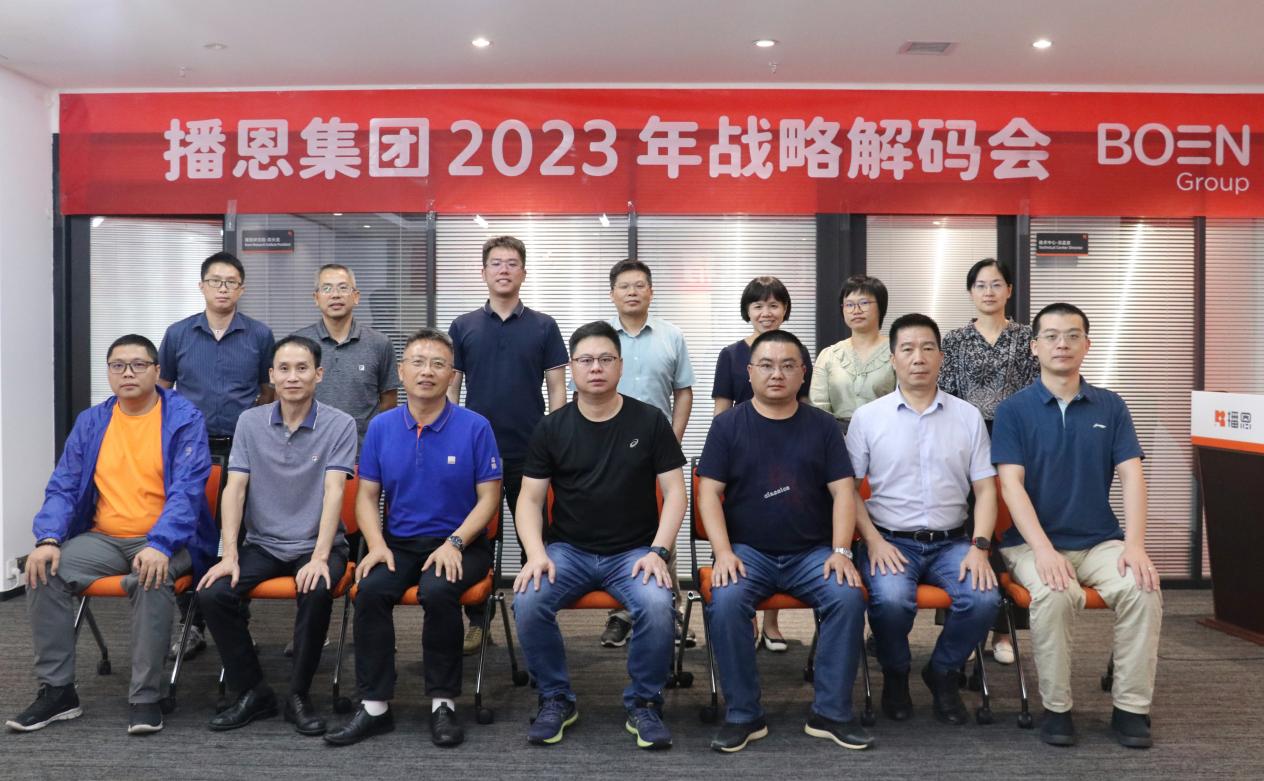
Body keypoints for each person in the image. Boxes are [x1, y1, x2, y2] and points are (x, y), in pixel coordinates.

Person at [7, 335, 216, 736]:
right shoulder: (92, 422)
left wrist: (160, 543)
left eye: (138, 365)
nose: (128, 373)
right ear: (109, 372)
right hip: (103, 537)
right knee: (43, 570)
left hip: (168, 539)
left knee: (150, 577)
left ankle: (146, 696)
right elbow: (64, 486)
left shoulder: (183, 418)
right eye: (118, 365)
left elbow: (188, 490)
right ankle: (58, 691)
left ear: (158, 371)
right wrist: (48, 538)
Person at [992, 302, 1162, 749]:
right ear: (1034, 347)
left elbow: (1132, 476)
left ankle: (1131, 707)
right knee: (1055, 593)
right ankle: (1057, 708)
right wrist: (1043, 550)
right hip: (1032, 544)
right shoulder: (1014, 410)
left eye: (1072, 335)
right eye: (1051, 336)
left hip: (1099, 541)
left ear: (1087, 345)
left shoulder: (1111, 405)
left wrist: (1136, 545)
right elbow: (1010, 486)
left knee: (1143, 587)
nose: (1062, 344)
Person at [512, 321, 687, 749]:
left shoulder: (650, 421)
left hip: (633, 553)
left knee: (657, 605)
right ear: (572, 367)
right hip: (568, 551)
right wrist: (536, 554)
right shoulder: (552, 427)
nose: (596, 368)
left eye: (606, 359)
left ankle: (644, 703)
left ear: (620, 366)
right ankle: (555, 698)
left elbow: (675, 493)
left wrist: (659, 551)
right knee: (529, 600)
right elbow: (529, 500)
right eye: (586, 360)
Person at [324, 328, 502, 748]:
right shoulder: (382, 427)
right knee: (370, 591)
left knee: (438, 591)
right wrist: (376, 545)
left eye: (438, 364)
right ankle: (375, 707)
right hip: (399, 543)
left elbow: (489, 498)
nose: (427, 372)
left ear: (451, 375)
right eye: (418, 363)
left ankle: (443, 703)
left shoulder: (475, 427)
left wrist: (455, 543)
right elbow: (366, 496)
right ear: (401, 372)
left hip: (461, 544)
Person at [698, 330, 871, 753]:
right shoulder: (727, 425)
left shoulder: (823, 426)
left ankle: (830, 713)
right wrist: (722, 553)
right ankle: (744, 714)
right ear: (750, 372)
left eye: (788, 365)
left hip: (812, 553)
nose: (777, 374)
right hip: (747, 553)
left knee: (847, 596)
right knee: (725, 599)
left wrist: (841, 551)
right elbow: (708, 494)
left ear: (803, 373)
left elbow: (843, 492)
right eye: (767, 365)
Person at [196, 336, 357, 736]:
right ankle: (253, 691)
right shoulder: (250, 422)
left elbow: (335, 492)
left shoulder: (340, 424)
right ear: (271, 375)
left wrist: (320, 557)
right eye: (284, 369)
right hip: (262, 544)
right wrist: (229, 554)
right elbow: (234, 489)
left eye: (302, 368)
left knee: (316, 588)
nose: (292, 377)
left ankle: (298, 695)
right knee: (213, 593)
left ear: (319, 374)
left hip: (318, 544)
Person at [848, 313, 1001, 726]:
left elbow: (986, 489)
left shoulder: (967, 416)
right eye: (908, 349)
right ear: (892, 359)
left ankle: (943, 671)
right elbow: (848, 491)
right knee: (891, 600)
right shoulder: (868, 418)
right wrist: (873, 541)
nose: (918, 357)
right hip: (890, 540)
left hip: (953, 542)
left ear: (941, 357)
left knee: (984, 599)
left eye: (928, 348)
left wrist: (980, 547)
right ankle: (896, 674)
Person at [448, 235, 568, 655]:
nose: (504, 269)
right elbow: (452, 388)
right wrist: (452, 436)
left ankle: (535, 615)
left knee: (533, 536)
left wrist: (555, 437)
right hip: (475, 453)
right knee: (473, 536)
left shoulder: (544, 326)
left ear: (524, 272)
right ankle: (477, 622)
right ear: (483, 272)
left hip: (530, 451)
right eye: (496, 263)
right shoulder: (463, 326)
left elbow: (557, 388)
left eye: (512, 263)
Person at [159, 251, 276, 660]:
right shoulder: (178, 334)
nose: (222, 288)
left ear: (241, 289)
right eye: (215, 281)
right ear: (202, 286)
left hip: (244, 448)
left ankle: (234, 621)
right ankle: (190, 624)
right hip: (192, 450)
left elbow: (268, 390)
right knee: (192, 535)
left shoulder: (260, 335)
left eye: (231, 282)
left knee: (239, 535)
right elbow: (164, 390)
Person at [939, 258, 1040, 666]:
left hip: (1015, 442)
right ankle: (963, 629)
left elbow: (1036, 391)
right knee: (965, 534)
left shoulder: (1027, 337)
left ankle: (1004, 631)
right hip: (965, 441)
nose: (988, 292)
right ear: (970, 292)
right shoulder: (953, 340)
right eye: (980, 285)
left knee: (1010, 536)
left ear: (1009, 290)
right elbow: (944, 394)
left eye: (996, 284)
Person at [712, 275, 813, 653]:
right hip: (744, 455)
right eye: (758, 305)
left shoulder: (798, 352)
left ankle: (771, 624)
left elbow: (803, 405)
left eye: (773, 304)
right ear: (747, 311)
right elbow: (722, 409)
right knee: (747, 534)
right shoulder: (731, 354)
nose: (766, 312)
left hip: (786, 455)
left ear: (785, 309)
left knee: (782, 528)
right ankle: (749, 619)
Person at [600, 258, 695, 649]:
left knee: (663, 526)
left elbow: (683, 392)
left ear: (651, 292)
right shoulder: (600, 339)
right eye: (624, 286)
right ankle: (620, 614)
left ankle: (669, 610)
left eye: (640, 285)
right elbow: (583, 392)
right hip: (607, 451)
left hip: (657, 449)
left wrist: (672, 440)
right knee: (613, 527)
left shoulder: (671, 336)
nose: (632, 292)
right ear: (613, 294)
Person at [292, 263, 400, 448]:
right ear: (316, 298)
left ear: (356, 296)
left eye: (343, 288)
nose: (335, 295)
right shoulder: (298, 344)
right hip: (309, 450)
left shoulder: (379, 344)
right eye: (327, 288)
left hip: (363, 452)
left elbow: (388, 402)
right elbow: (287, 398)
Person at [810, 275, 895, 435]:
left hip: (886, 434)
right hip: (837, 437)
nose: (856, 310)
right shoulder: (829, 355)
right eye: (849, 304)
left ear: (881, 306)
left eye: (864, 303)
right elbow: (818, 407)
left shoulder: (897, 352)